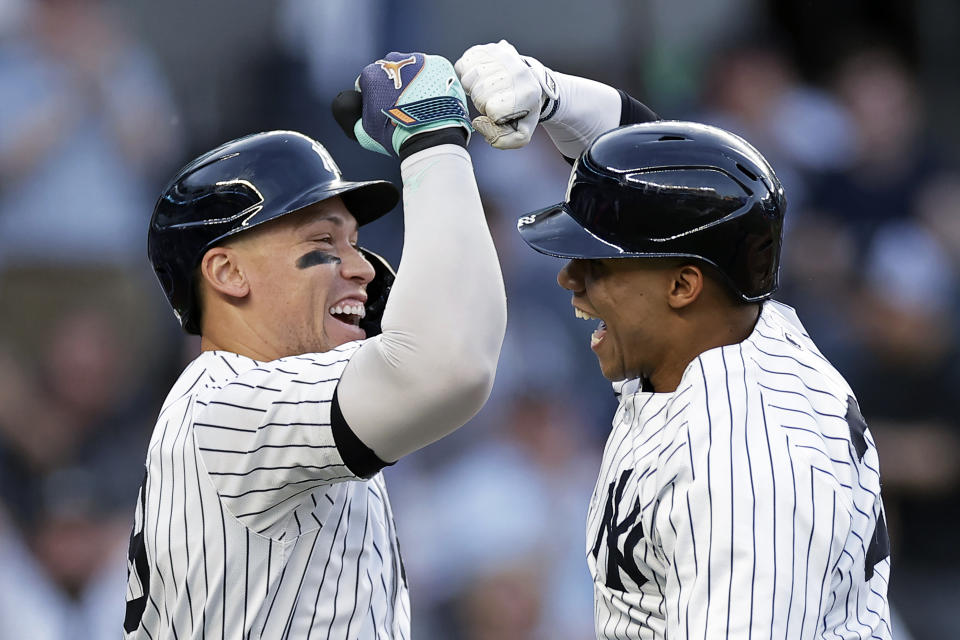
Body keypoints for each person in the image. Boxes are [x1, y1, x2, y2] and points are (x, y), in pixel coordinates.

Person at [456, 41, 891, 639]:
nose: (570, 280)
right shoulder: (729, 325)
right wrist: (550, 91)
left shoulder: (748, 463)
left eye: (598, 264)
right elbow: (672, 173)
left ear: (684, 285)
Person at [123, 52, 506, 639]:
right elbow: (451, 364)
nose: (364, 267)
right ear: (227, 273)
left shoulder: (268, 407)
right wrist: (434, 141)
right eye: (324, 239)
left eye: (355, 241)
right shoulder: (224, 403)